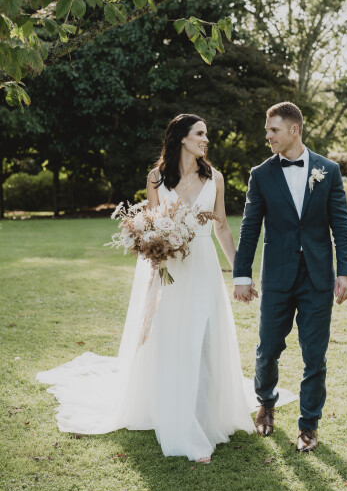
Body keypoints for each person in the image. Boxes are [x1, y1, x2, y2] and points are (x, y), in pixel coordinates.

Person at [37, 114, 295, 462]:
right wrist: (154, 248)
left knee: (204, 340)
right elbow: (151, 226)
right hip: (169, 270)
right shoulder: (156, 179)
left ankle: (203, 415)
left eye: (206, 134)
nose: (206, 140)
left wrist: (241, 273)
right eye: (200, 133)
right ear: (182, 138)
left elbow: (221, 228)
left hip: (203, 268)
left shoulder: (215, 178)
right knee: (173, 340)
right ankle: (179, 422)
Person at [233, 102, 347, 452]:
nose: (268, 136)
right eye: (267, 130)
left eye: (273, 130)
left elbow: (341, 224)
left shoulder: (328, 170)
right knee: (268, 348)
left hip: (318, 278)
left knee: (315, 355)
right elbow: (250, 228)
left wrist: (345, 272)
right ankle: (265, 404)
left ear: (294, 129)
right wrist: (242, 275)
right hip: (277, 277)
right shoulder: (261, 174)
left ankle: (308, 425)